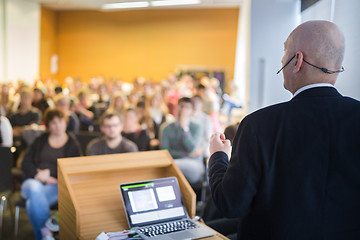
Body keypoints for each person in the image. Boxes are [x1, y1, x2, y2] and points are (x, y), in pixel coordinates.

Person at [208, 20, 360, 240]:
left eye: (284, 51)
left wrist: (218, 156)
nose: (281, 59)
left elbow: (230, 204)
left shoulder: (258, 125)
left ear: (297, 60)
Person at [21, 108, 82, 240]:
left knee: (31, 204)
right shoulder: (41, 140)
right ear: (48, 125)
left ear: (65, 122)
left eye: (60, 121)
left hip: (57, 186)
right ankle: (47, 229)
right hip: (33, 180)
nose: (58, 125)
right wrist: (40, 175)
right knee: (34, 187)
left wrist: (50, 173)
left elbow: (74, 169)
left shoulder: (72, 144)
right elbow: (25, 163)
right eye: (53, 123)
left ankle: (44, 236)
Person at [161, 97, 204, 185]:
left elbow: (191, 148)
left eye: (187, 107)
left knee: (170, 167)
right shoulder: (166, 128)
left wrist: (184, 128)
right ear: (177, 108)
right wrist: (186, 154)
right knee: (169, 167)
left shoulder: (196, 127)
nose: (183, 110)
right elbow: (165, 152)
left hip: (194, 164)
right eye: (181, 106)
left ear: (192, 111)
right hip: (172, 162)